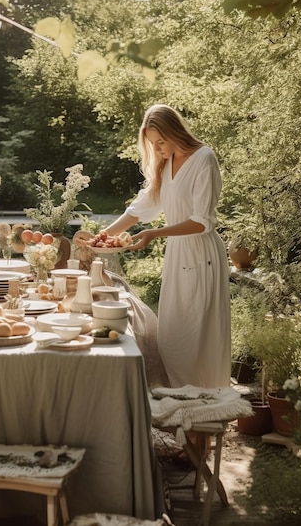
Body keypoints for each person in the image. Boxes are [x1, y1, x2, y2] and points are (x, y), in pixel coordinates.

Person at [104, 104, 231, 389]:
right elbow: (141, 208)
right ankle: (180, 411)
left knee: (198, 339)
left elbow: (202, 221)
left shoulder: (203, 159)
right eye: (152, 144)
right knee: (173, 338)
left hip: (201, 255)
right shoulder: (166, 162)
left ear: (175, 132)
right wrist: (102, 235)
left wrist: (155, 232)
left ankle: (206, 413)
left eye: (160, 142)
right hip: (178, 256)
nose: (157, 149)